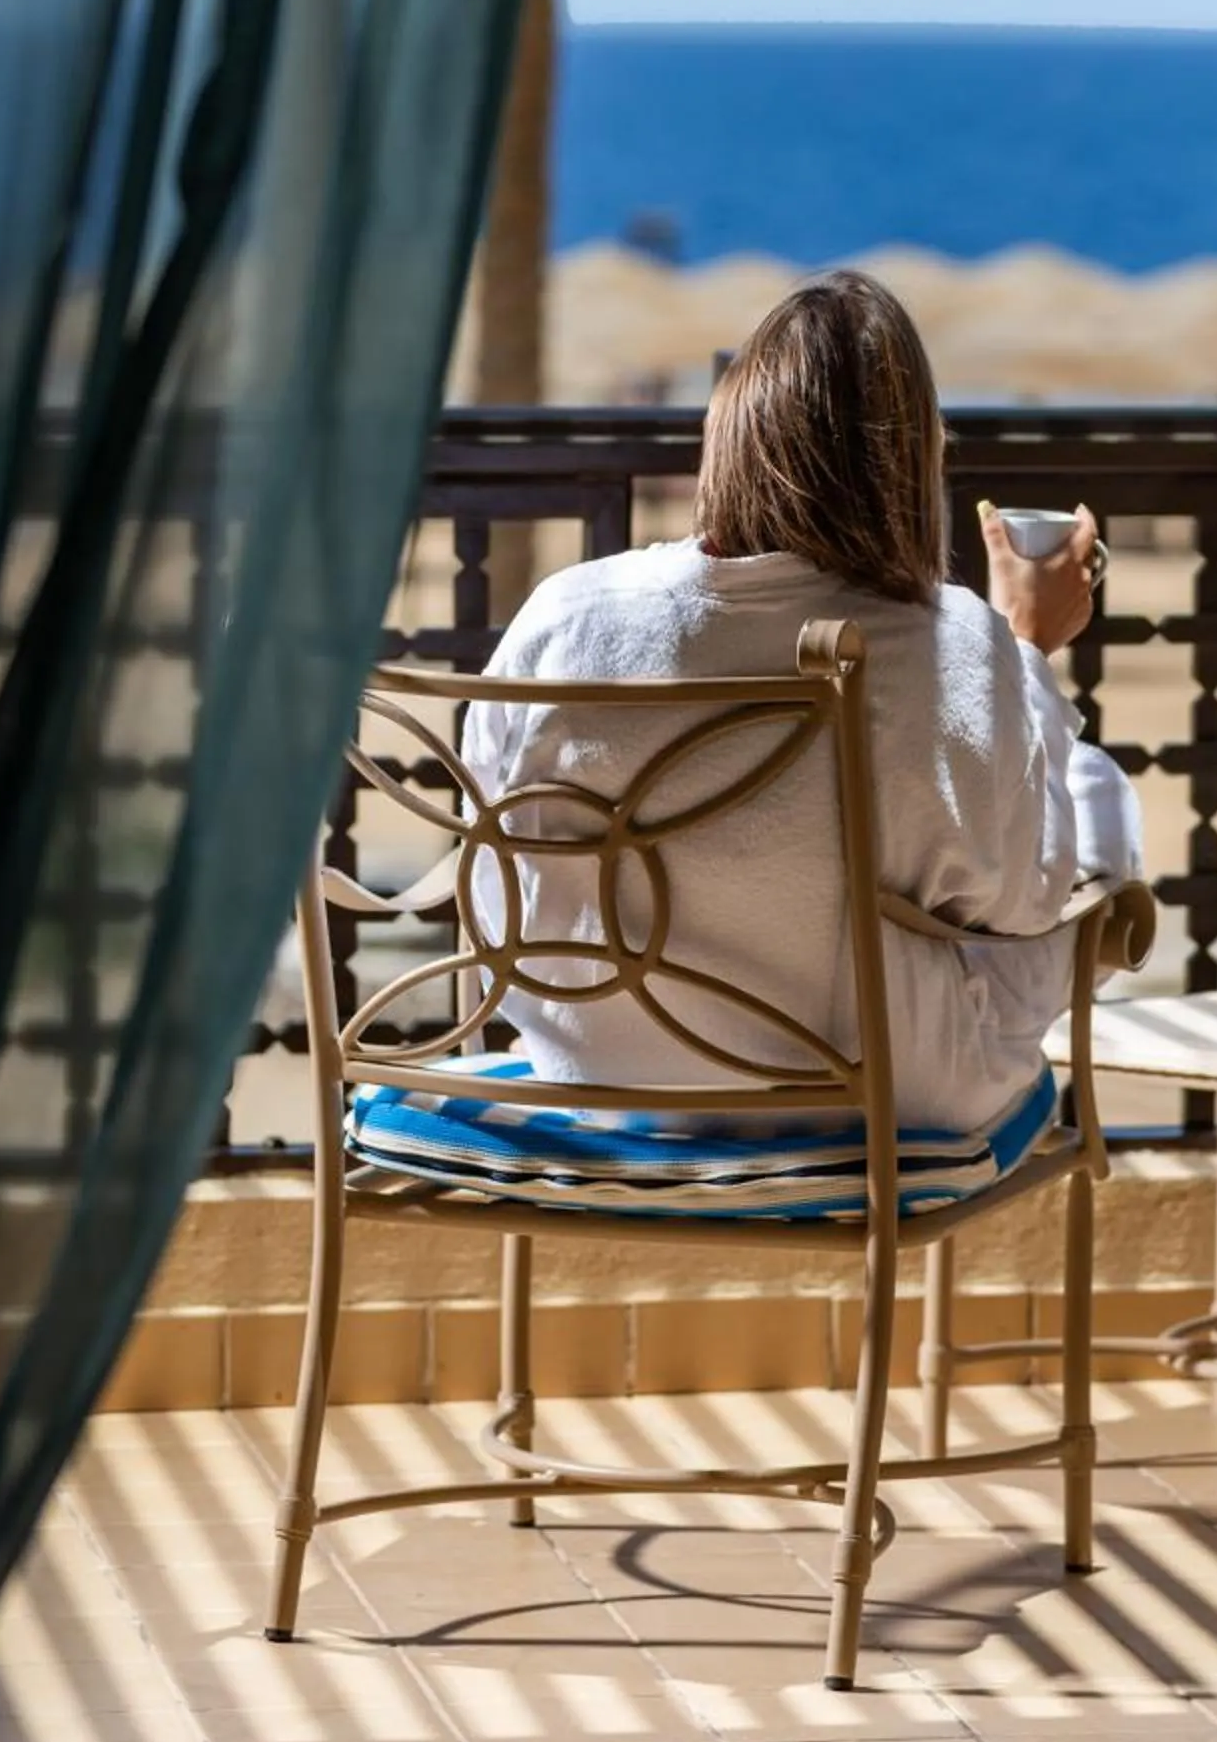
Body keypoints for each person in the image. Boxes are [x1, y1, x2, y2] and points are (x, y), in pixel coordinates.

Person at [462, 270, 1145, 1132]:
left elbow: (493, 867)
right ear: (906, 465)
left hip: (593, 1068)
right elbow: (1019, 905)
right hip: (876, 1090)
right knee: (1093, 789)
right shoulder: (947, 643)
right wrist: (1024, 659)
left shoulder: (569, 611)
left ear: (730, 435)